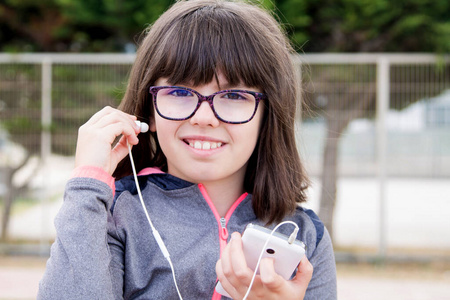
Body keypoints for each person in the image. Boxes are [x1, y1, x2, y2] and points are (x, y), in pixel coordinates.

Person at [38, 0, 337, 299]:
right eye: (180, 92)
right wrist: (86, 186)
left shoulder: (306, 235)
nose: (204, 118)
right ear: (149, 111)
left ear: (267, 115)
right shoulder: (112, 213)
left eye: (233, 95)